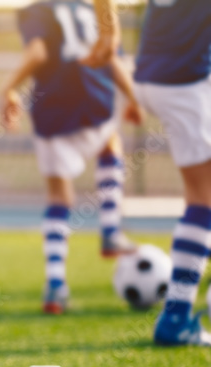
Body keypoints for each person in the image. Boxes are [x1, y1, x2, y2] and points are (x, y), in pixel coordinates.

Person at [1, 0, 143, 315]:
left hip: (53, 111)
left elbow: (38, 53)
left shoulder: (37, 11)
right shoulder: (93, 8)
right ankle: (110, 230)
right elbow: (112, 58)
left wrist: (8, 88)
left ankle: (55, 284)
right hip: (94, 101)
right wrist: (134, 98)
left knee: (58, 198)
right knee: (110, 143)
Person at [89, 0, 211, 346]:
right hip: (186, 80)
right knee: (203, 199)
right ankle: (176, 317)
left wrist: (109, 30)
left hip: (154, 73)